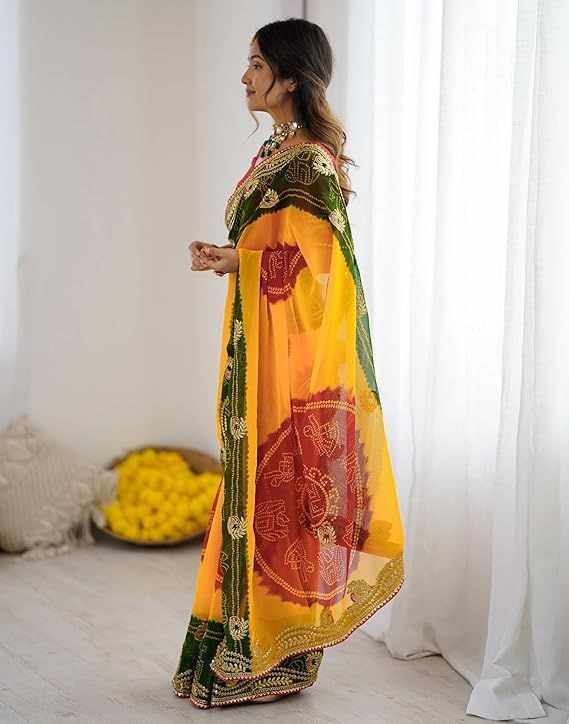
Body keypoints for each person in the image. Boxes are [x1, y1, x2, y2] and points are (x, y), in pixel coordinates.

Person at [171, 17, 405, 709]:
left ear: (291, 76)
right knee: (247, 488)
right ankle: (236, 646)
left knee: (279, 491)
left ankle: (275, 655)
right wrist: (231, 259)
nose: (244, 77)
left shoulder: (310, 163)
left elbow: (326, 272)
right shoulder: (275, 152)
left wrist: (243, 263)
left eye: (255, 64)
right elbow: (274, 248)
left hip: (288, 357)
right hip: (253, 342)